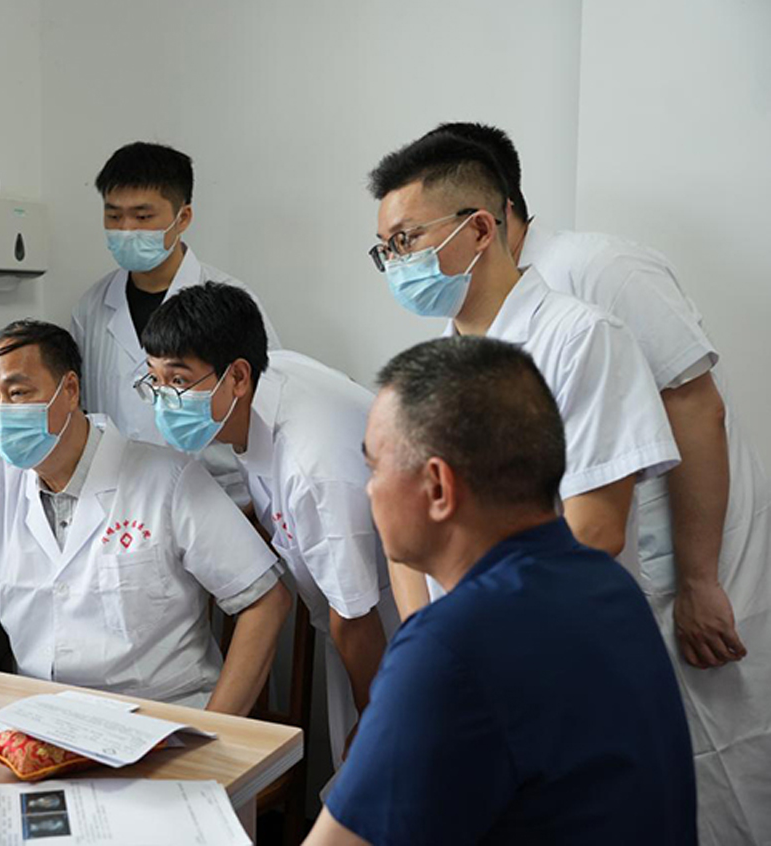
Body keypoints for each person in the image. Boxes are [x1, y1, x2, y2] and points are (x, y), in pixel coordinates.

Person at [421, 121, 771, 846]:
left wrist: (701, 579)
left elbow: (695, 405)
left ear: (487, 214)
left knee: (719, 776)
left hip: (687, 560)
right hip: (599, 582)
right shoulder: (481, 320)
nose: (411, 259)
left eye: (418, 233)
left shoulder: (598, 267)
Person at [305, 336, 696, 846]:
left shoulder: (452, 646)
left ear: (438, 488)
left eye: (375, 467)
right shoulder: (608, 586)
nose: (369, 489)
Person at [0, 320, 290, 713]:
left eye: (18, 392)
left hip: (161, 717)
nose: (2, 411)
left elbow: (265, 600)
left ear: (70, 390)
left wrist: (219, 729)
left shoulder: (169, 480)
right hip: (38, 716)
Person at [366, 132, 679, 618]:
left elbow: (595, 529)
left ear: (480, 229)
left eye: (406, 240)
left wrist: (473, 629)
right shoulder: (425, 370)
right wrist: (422, 636)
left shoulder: (581, 338)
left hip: (551, 632)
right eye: (386, 249)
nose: (396, 264)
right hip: (458, 638)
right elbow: (405, 537)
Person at [141, 282, 393, 766]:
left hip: (388, 635)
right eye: (153, 379)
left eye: (178, 381)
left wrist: (377, 720)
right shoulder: (267, 379)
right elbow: (268, 498)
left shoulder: (311, 464)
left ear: (236, 376)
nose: (162, 400)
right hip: (361, 613)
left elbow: (354, 616)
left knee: (379, 767)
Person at [70, 141, 280, 504]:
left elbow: (268, 411)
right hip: (123, 506)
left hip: (223, 500)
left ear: (182, 218)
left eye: (142, 217)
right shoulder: (91, 308)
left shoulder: (232, 301)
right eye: (114, 216)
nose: (126, 229)